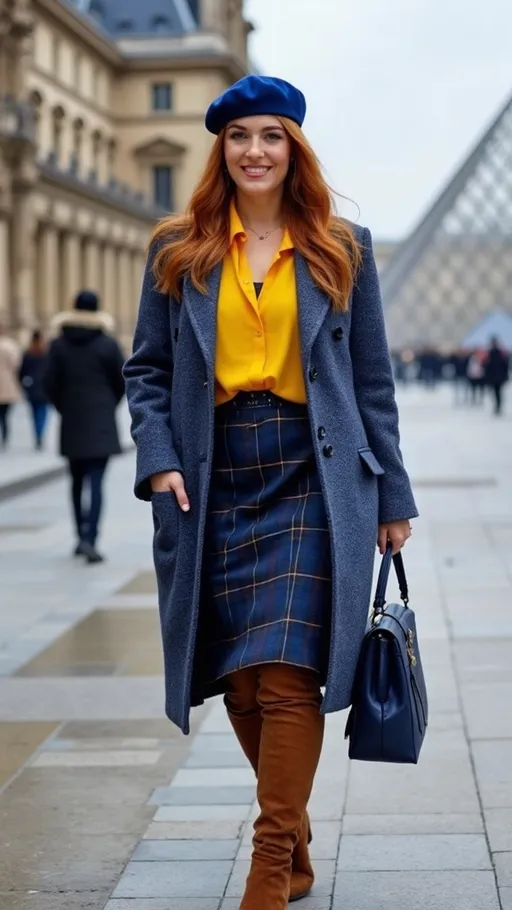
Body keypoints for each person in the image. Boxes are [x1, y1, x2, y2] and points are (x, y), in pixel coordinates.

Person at [123, 75, 418, 909]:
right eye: (240, 136)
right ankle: (297, 843)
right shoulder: (177, 248)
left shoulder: (341, 246)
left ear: (295, 149)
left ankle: (267, 863)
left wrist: (393, 496)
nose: (256, 150)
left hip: (316, 475)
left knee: (290, 677)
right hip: (215, 472)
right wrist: (158, 456)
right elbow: (145, 370)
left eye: (272, 136)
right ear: (221, 149)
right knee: (242, 682)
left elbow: (373, 385)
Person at [44, 291, 125, 563]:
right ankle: (92, 537)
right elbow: (120, 381)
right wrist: (108, 404)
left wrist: (64, 407)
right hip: (101, 419)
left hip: (72, 420)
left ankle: (79, 536)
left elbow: (50, 384)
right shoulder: (107, 344)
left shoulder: (58, 344)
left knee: (76, 482)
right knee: (97, 481)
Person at [19, 329, 49, 449]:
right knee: (42, 412)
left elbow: (22, 371)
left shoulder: (28, 354)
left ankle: (37, 433)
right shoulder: (46, 353)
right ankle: (40, 433)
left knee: (34, 413)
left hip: (32, 387)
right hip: (44, 387)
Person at [0, 319, 22, 449]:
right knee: (5, 414)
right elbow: (16, 364)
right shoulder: (9, 345)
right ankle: (5, 436)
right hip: (7, 383)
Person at [484, 336, 509, 416]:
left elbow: (505, 366)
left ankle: (498, 406)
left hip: (497, 377)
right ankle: (497, 406)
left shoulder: (498, 353)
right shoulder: (491, 354)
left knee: (497, 392)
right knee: (496, 392)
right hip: (495, 377)